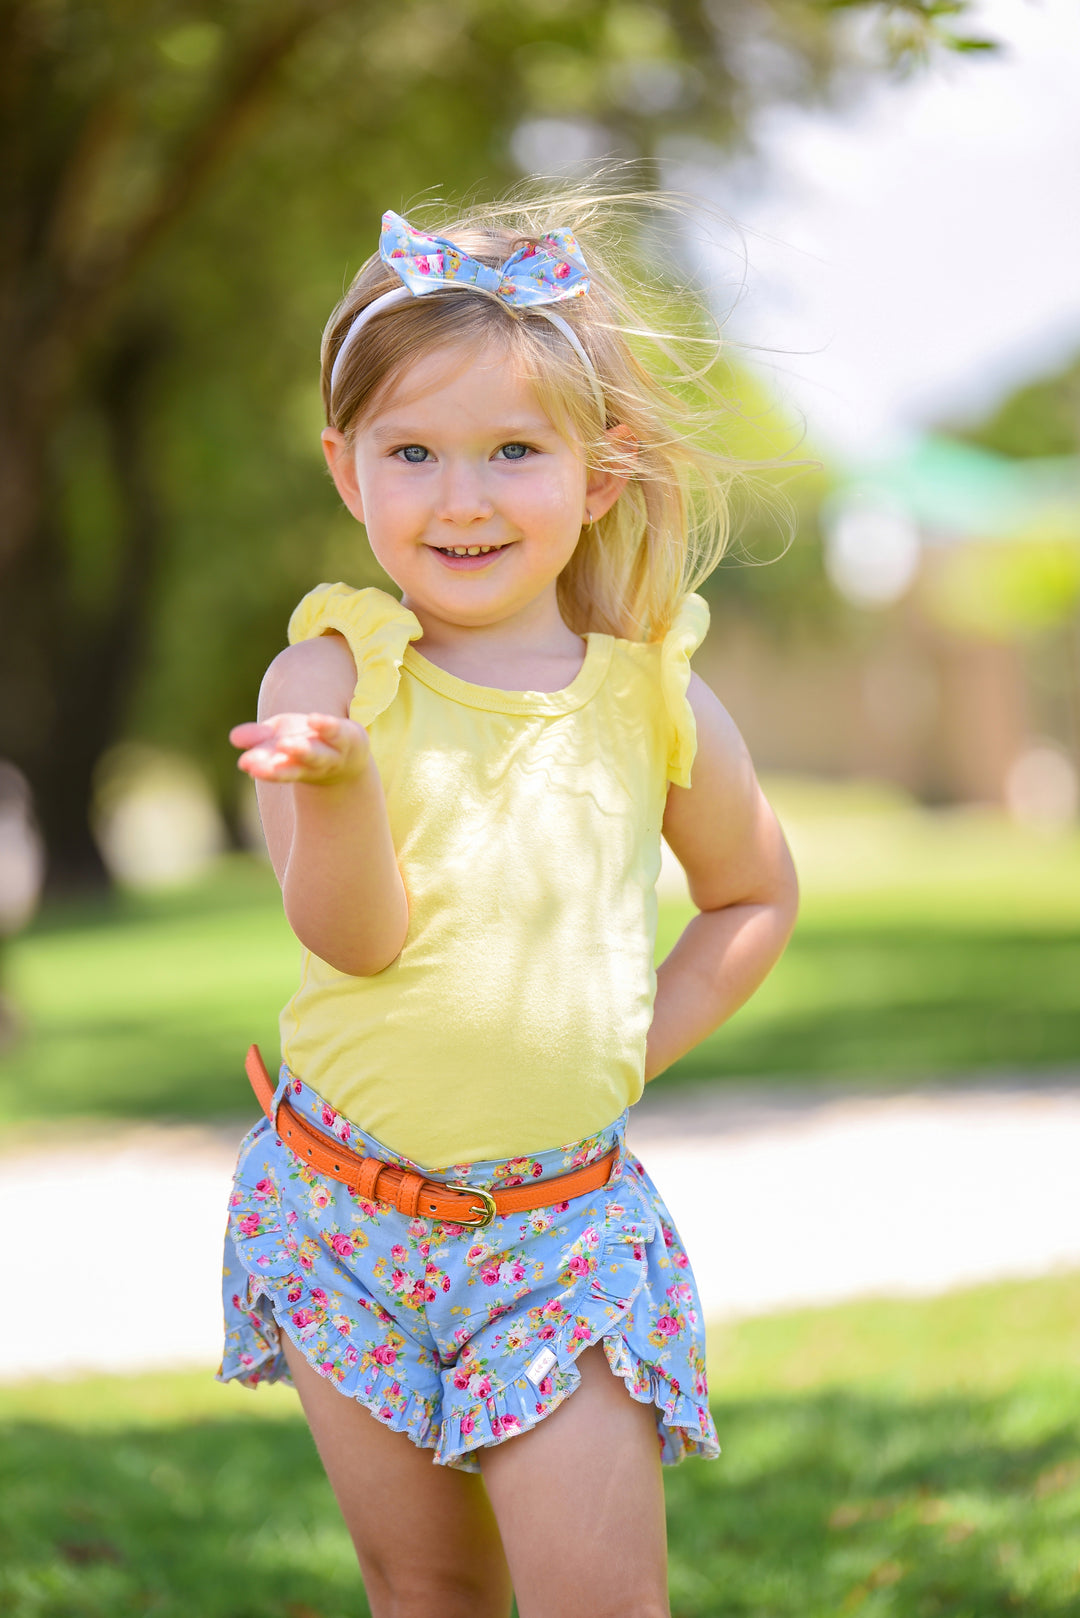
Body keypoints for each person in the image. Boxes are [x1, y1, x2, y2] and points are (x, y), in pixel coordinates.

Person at [218, 190, 799, 1618]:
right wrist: (343, 788)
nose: (461, 497)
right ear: (346, 469)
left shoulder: (648, 691)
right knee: (425, 1587)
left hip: (560, 1233)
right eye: (412, 452)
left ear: (597, 476)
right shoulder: (334, 682)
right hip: (341, 1212)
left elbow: (751, 894)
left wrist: (618, 1052)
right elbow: (348, 938)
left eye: (512, 452)